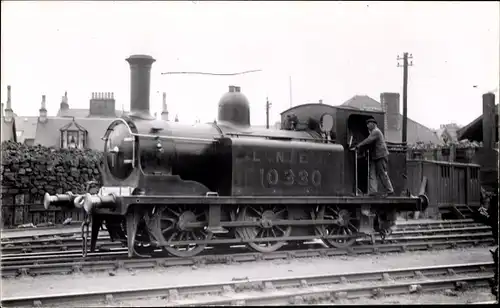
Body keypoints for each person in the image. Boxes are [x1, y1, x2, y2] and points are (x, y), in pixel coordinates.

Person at [351, 118, 394, 197]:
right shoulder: (372, 132)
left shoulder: (376, 132)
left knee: (382, 173)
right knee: (372, 173)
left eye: (368, 124)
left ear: (373, 124)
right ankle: (373, 191)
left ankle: (390, 190)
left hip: (381, 155)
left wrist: (358, 146)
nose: (367, 126)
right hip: (375, 157)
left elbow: (368, 141)